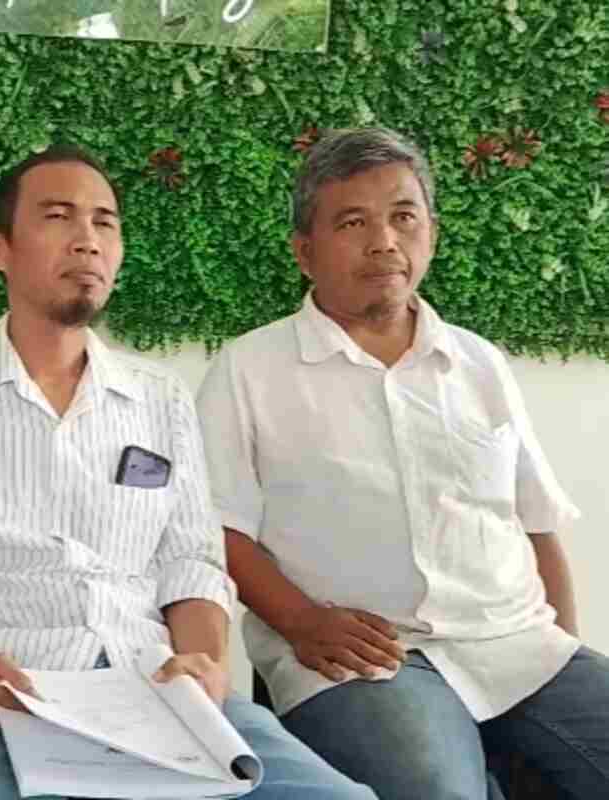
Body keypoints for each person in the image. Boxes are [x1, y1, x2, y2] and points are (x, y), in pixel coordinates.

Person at [0, 144, 375, 800]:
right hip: (1, 702)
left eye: (105, 221)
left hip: (154, 688)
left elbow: (191, 563)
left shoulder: (160, 398)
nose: (87, 240)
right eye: (58, 217)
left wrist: (205, 663)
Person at [196, 126, 609, 800]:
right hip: (366, 659)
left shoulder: (478, 364)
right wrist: (300, 621)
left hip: (518, 648)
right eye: (352, 222)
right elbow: (218, 530)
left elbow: (536, 524)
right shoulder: (249, 370)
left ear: (431, 235)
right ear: (304, 251)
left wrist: (565, 656)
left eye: (403, 217)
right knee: (438, 790)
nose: (384, 241)